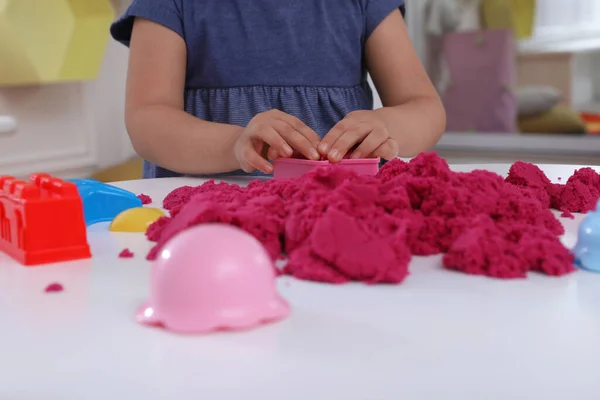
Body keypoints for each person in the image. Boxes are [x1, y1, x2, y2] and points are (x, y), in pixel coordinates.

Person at [110, 0, 445, 178]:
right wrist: (234, 145)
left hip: (342, 215)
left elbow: (423, 107)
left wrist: (386, 127)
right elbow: (148, 119)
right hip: (206, 225)